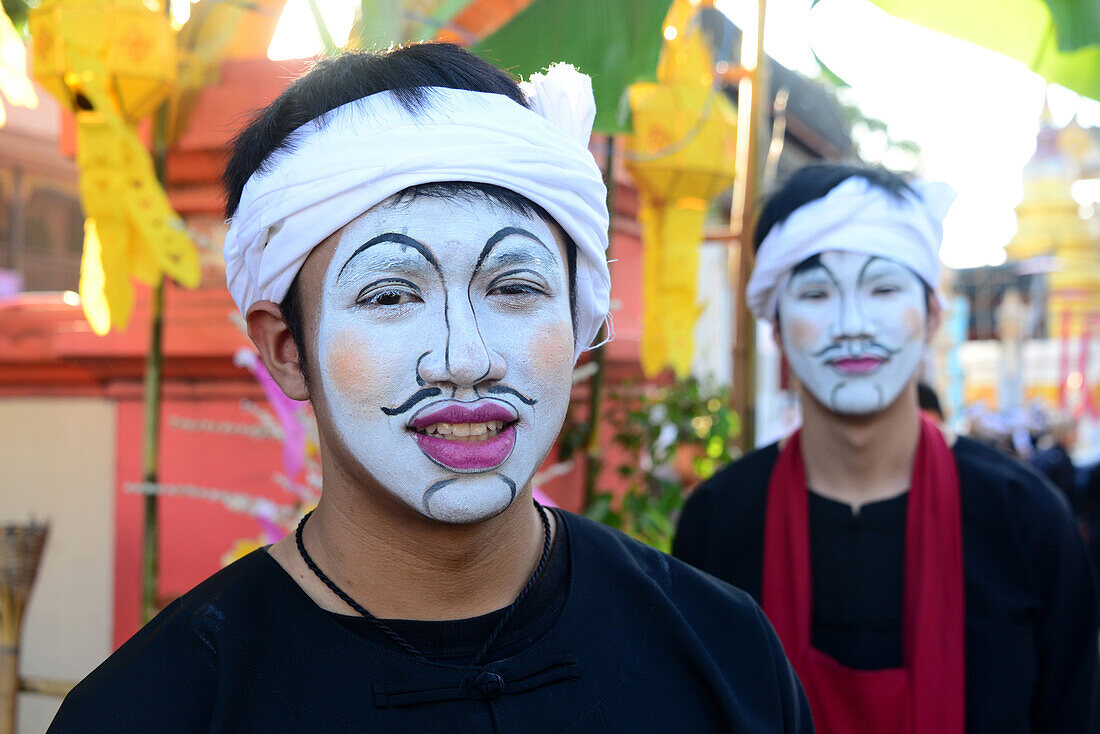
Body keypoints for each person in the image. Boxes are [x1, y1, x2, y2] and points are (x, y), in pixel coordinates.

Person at [49, 44, 811, 733]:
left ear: (581, 320)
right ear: (287, 350)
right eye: (389, 296)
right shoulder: (157, 709)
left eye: (514, 286)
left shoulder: (725, 653)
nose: (466, 358)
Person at [673, 163, 1099, 734]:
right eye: (818, 292)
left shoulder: (1026, 521)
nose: (852, 325)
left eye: (883, 288)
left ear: (932, 317)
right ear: (775, 327)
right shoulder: (718, 522)